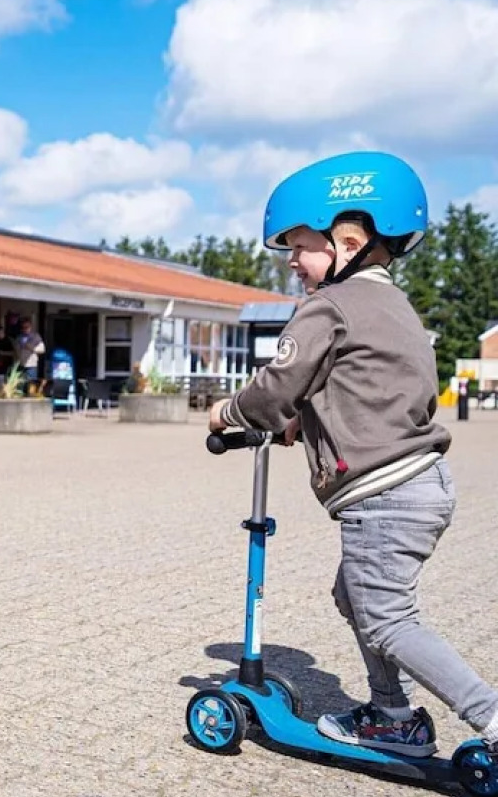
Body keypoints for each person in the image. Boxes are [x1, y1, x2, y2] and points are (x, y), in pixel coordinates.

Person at [210, 151, 498, 758]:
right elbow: (363, 389)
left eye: (299, 245)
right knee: (355, 596)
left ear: (348, 239)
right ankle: (392, 716)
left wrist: (230, 413)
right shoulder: (395, 309)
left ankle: (490, 717)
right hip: (423, 483)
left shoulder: (328, 306)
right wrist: (299, 425)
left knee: (387, 615)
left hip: (384, 495)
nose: (291, 260)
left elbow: (277, 386)